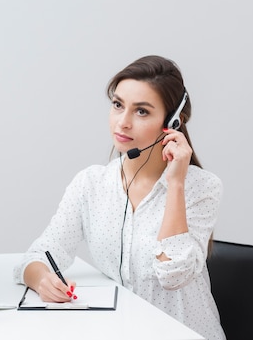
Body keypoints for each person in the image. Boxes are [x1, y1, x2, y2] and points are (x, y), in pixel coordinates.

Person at [13, 55, 225, 340]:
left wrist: (176, 183)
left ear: (173, 122)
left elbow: (174, 275)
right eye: (117, 105)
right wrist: (42, 280)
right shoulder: (91, 184)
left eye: (141, 112)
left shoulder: (201, 187)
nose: (122, 122)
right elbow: (38, 255)